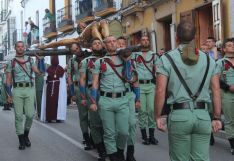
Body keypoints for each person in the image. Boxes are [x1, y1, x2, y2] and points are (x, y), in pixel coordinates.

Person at [154, 21, 222, 161]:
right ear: (195, 37)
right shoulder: (209, 60)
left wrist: (158, 115)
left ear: (176, 36)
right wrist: (216, 117)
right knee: (201, 158)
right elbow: (216, 90)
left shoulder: (166, 58)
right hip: (203, 115)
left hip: (179, 116)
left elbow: (160, 90)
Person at [90, 36, 132, 161]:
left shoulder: (124, 59)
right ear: (105, 45)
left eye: (114, 41)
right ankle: (113, 157)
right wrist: (93, 101)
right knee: (109, 133)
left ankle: (119, 152)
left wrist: (128, 61)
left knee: (124, 132)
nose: (112, 43)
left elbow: (129, 77)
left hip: (122, 99)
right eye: (109, 42)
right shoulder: (99, 62)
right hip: (106, 100)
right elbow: (95, 83)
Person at [5, 41, 42, 150]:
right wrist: (9, 95)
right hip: (17, 90)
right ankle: (21, 140)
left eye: (22, 47)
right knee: (18, 116)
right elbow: (8, 80)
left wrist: (39, 61)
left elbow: (38, 73)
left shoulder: (30, 60)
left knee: (30, 115)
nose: (20, 48)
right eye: (18, 47)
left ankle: (26, 135)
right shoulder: (11, 62)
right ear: (15, 48)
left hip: (29, 89)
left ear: (24, 48)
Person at [79, 38, 106, 161]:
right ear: (91, 47)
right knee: (95, 122)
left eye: (99, 43)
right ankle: (100, 149)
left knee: (107, 121)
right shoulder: (86, 61)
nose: (97, 44)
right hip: (91, 92)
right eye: (95, 43)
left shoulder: (108, 59)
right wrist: (83, 96)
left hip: (106, 92)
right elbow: (83, 80)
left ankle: (107, 146)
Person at [133, 35, 159, 145]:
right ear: (140, 42)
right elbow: (133, 71)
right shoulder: (135, 55)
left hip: (150, 85)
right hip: (139, 86)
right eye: (143, 40)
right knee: (142, 111)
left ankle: (152, 136)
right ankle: (144, 137)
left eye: (147, 40)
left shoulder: (154, 55)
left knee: (152, 110)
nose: (145, 41)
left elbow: (157, 71)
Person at [117, 37, 140, 161]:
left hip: (129, 95)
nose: (121, 46)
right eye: (118, 44)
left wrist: (138, 99)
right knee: (120, 128)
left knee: (131, 124)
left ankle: (130, 153)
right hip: (117, 98)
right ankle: (119, 150)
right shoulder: (112, 61)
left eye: (123, 44)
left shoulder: (132, 62)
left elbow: (136, 82)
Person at [67, 43, 93, 150]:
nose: (76, 51)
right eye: (74, 50)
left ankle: (94, 138)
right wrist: (72, 93)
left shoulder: (90, 57)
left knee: (93, 115)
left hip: (90, 88)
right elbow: (69, 77)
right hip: (78, 89)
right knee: (83, 115)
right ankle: (86, 138)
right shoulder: (71, 62)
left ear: (80, 48)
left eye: (77, 48)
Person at [216, 38, 234, 155]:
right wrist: (228, 87)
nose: (232, 46)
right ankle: (233, 145)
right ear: (224, 49)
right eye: (229, 45)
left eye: (233, 45)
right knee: (230, 120)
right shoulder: (220, 62)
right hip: (227, 94)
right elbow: (216, 80)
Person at [40, 56, 67, 123]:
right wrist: (46, 80)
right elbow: (46, 78)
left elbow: (62, 80)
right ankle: (50, 117)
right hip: (51, 88)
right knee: (50, 103)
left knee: (56, 102)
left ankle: (57, 117)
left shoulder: (60, 69)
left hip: (56, 88)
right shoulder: (50, 68)